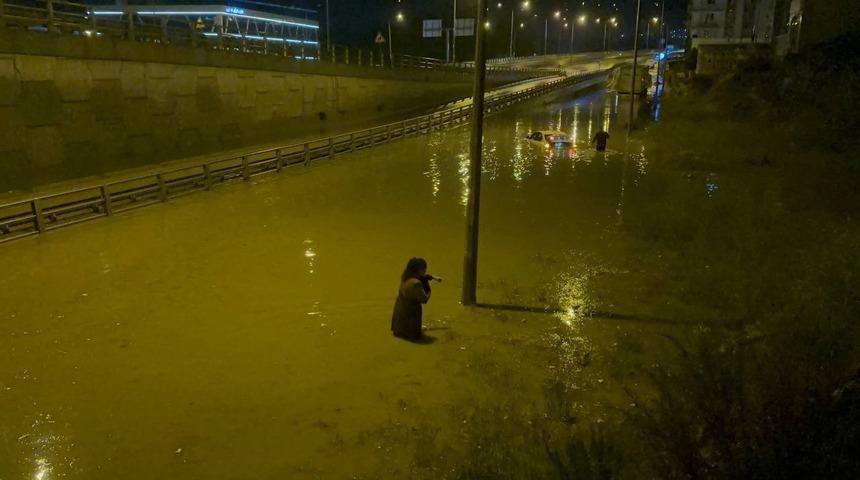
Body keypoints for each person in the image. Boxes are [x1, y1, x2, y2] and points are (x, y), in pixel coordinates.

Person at [391, 257, 440, 340]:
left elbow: (423, 277)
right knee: (414, 337)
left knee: (401, 334)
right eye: (424, 269)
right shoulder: (416, 283)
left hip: (400, 313)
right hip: (410, 315)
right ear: (419, 270)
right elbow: (424, 299)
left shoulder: (405, 276)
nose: (425, 271)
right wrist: (428, 287)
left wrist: (430, 277)